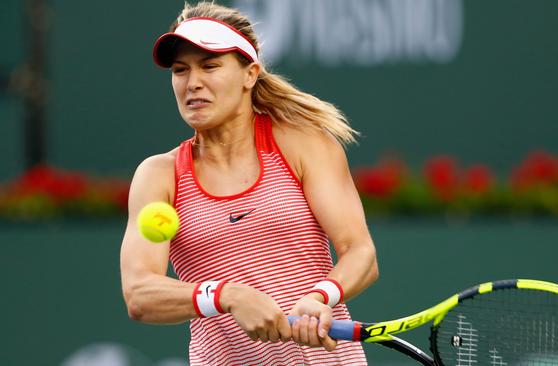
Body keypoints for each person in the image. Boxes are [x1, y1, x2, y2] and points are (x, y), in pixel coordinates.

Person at [119, 2, 378, 365]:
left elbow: (360, 253)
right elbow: (139, 293)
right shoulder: (159, 175)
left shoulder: (303, 145)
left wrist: (320, 297)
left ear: (250, 74)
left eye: (210, 66)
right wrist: (226, 296)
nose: (193, 82)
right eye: (180, 70)